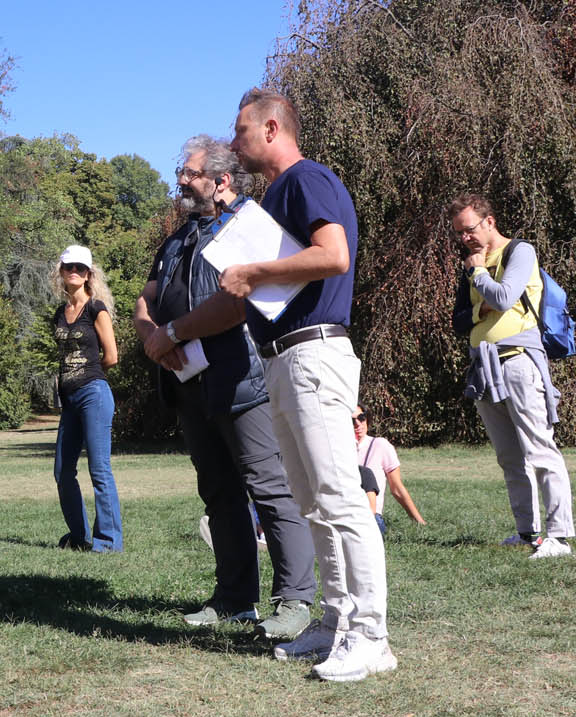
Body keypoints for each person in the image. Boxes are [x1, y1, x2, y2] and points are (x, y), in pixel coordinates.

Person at [151, 92, 391, 681]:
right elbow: (238, 305)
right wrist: (175, 329)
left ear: (273, 127)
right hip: (283, 358)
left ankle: (370, 636)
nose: (234, 144)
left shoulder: (306, 179)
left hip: (314, 352)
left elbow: (332, 256)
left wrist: (253, 271)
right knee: (312, 501)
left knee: (337, 498)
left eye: (241, 132)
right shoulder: (273, 199)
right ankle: (334, 624)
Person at [136, 138, 316, 642]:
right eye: (181, 171)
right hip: (189, 385)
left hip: (243, 381)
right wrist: (152, 336)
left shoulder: (249, 229)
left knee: (268, 487)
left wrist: (173, 334)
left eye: (190, 173)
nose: (181, 181)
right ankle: (235, 600)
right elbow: (144, 299)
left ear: (222, 181)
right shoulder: (175, 240)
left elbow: (237, 306)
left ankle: (296, 600)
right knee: (218, 492)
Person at [449, 193, 575, 558]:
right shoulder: (473, 264)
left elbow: (504, 299)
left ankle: (560, 536)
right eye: (458, 234)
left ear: (489, 221)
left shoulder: (520, 252)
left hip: (518, 360)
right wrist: (479, 309)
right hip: (483, 365)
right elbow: (459, 319)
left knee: (539, 447)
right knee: (508, 456)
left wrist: (478, 275)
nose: (464, 239)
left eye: (469, 230)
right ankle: (528, 532)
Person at [49, 244, 123, 552]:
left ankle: (107, 542)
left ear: (89, 274)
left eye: (80, 268)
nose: (74, 272)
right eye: (69, 268)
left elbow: (112, 356)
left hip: (94, 393)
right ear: (62, 273)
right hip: (69, 399)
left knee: (99, 469)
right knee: (62, 471)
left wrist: (88, 374)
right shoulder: (59, 313)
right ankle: (78, 537)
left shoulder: (97, 308)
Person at [353, 406, 425, 532]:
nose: (358, 424)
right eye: (351, 420)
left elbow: (396, 488)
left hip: (370, 516)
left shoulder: (380, 445)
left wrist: (419, 522)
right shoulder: (338, 450)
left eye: (361, 417)